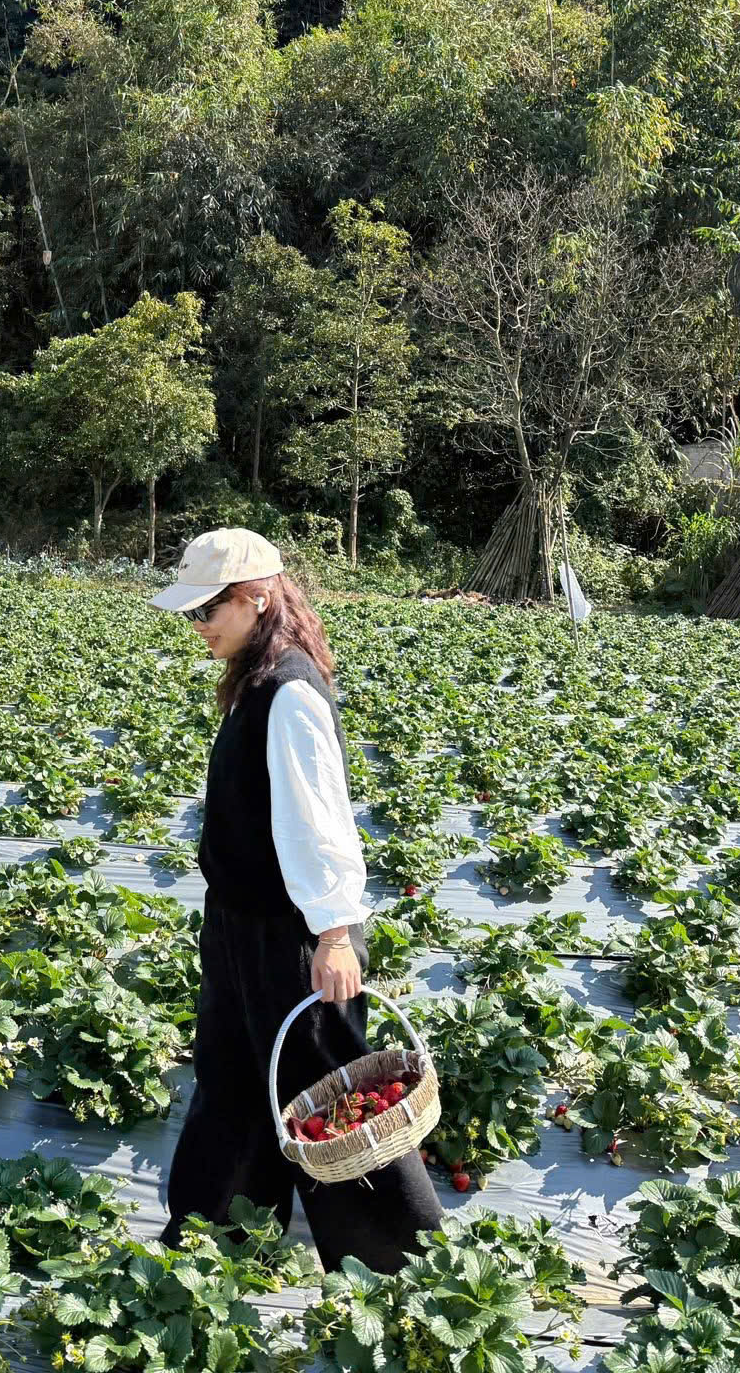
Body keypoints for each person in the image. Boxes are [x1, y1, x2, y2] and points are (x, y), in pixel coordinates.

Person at [151, 527, 443, 1274]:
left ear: (255, 598)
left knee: (328, 1093)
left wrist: (335, 935)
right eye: (191, 612)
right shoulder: (255, 679)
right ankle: (216, 1236)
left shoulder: (288, 692)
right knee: (232, 1080)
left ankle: (401, 1259)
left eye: (206, 609)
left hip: (293, 934)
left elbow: (321, 824)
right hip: (240, 925)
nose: (197, 625)